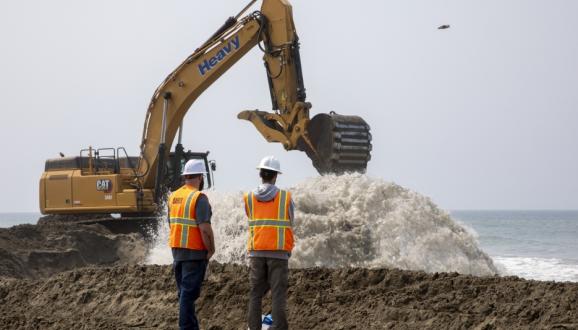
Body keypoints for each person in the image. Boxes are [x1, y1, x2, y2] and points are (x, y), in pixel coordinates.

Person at [244, 156, 295, 330]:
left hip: (256, 251)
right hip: (278, 253)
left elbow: (251, 217)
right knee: (278, 294)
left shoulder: (249, 197)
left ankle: (254, 328)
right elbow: (290, 221)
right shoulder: (285, 197)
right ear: (275, 176)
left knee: (255, 294)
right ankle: (278, 328)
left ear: (261, 174)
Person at [168, 159, 215, 330]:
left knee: (184, 294)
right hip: (194, 253)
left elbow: (171, 223)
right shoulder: (199, 198)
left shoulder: (173, 196)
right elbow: (205, 229)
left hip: (177, 252)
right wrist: (211, 249)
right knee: (188, 295)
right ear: (201, 177)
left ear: (185, 176)